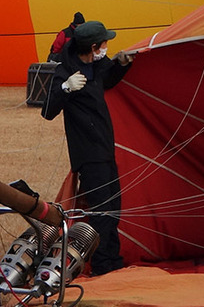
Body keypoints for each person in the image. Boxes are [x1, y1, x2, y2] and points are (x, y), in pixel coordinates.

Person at [40, 19, 135, 277]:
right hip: (88, 155)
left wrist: (122, 64)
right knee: (103, 213)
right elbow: (47, 111)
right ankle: (104, 266)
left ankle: (112, 260)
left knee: (113, 209)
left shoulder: (97, 64)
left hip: (104, 148)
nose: (107, 47)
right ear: (93, 46)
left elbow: (108, 78)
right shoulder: (65, 71)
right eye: (105, 44)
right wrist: (64, 88)